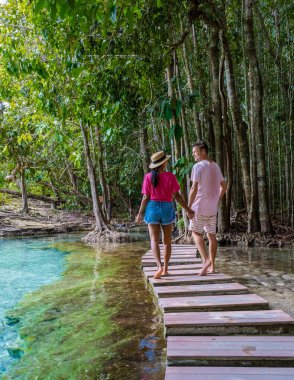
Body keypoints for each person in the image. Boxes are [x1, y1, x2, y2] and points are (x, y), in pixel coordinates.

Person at [136, 151, 194, 279]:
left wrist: (140, 213)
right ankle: (165, 269)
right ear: (164, 163)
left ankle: (158, 266)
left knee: (154, 240)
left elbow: (145, 197)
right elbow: (177, 196)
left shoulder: (148, 177)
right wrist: (187, 209)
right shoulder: (170, 176)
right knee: (167, 241)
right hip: (167, 208)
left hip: (152, 208)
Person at [188, 141, 227, 276]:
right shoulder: (215, 166)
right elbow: (224, 186)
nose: (193, 154)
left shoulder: (198, 166)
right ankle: (212, 266)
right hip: (212, 208)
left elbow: (193, 189)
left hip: (199, 207)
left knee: (195, 233)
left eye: (195, 152)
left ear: (203, 151)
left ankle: (205, 261)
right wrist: (217, 199)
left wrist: (188, 207)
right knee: (211, 236)